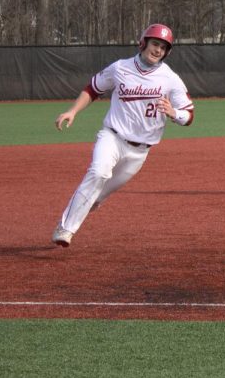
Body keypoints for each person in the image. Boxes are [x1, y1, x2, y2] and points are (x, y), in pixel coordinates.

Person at [51, 23, 194, 247]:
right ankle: (65, 229)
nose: (158, 50)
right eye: (155, 44)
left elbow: (189, 114)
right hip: (113, 137)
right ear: (143, 43)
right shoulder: (120, 68)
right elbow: (93, 89)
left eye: (163, 47)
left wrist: (174, 113)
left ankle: (90, 202)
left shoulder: (170, 78)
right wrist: (72, 111)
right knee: (98, 173)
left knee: (96, 197)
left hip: (139, 152)